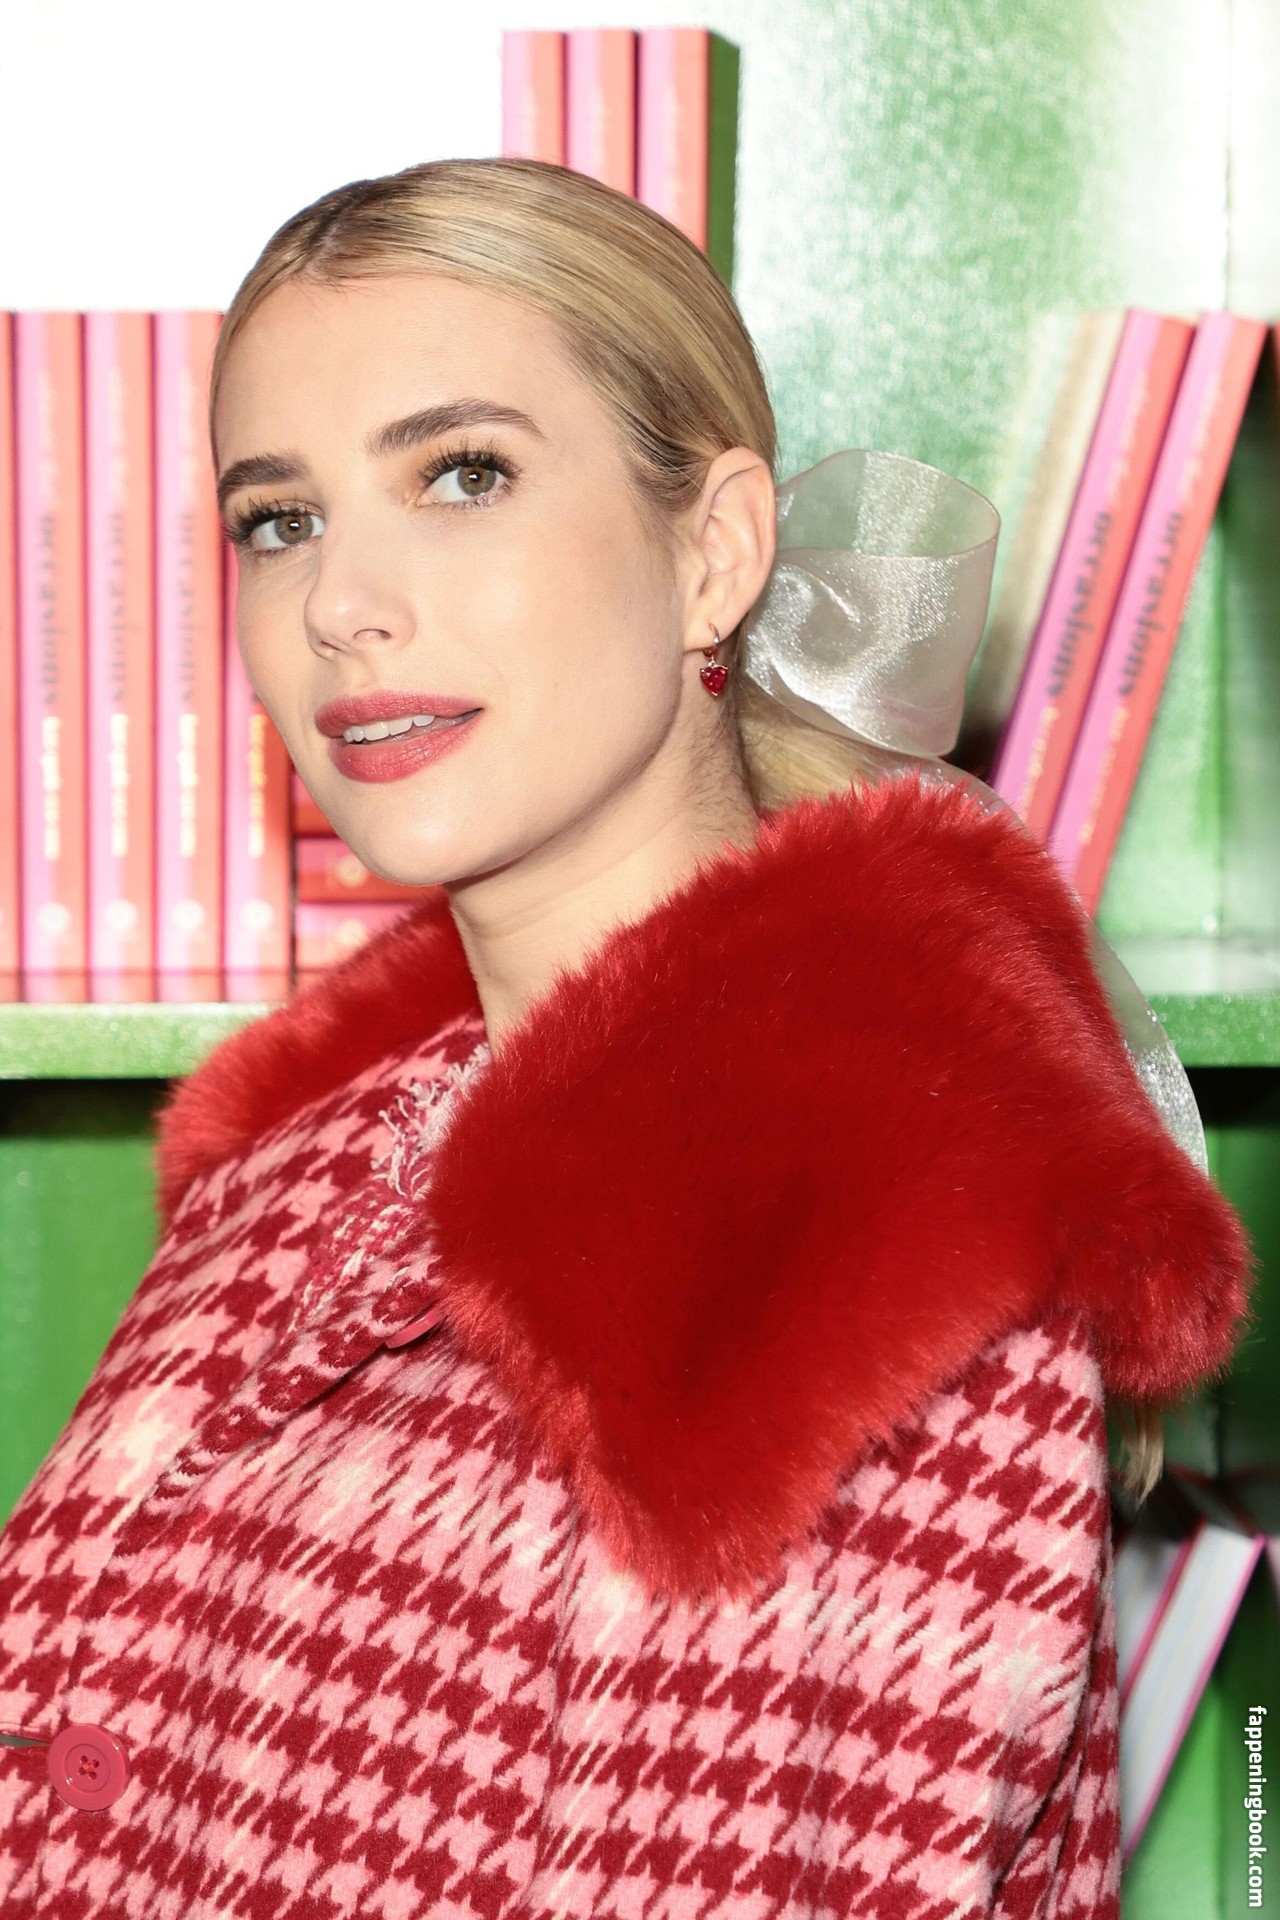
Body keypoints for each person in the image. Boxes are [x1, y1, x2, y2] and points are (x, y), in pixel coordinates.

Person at [0, 157, 1255, 1919]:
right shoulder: (301, 1168)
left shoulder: (874, 1268)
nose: (340, 601)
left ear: (713, 551)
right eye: (278, 518)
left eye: (462, 474)